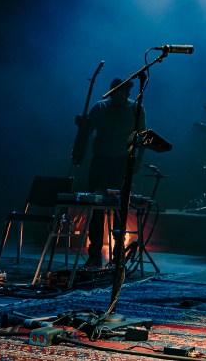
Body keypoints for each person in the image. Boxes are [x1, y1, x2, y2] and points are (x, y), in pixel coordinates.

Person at [72, 76, 144, 268]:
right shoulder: (100, 107)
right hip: (101, 161)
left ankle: (118, 254)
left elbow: (141, 138)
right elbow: (87, 132)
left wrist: (137, 161)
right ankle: (94, 254)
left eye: (121, 96)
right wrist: (82, 126)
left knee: (120, 208)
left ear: (127, 93)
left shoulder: (136, 108)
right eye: (114, 95)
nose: (117, 99)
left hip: (121, 162)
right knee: (96, 207)